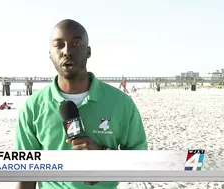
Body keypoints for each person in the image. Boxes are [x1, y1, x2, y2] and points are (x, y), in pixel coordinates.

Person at [14, 19, 148, 189]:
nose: (67, 51)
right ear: (50, 53)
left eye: (76, 43)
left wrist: (104, 157)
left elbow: (142, 160)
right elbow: (26, 173)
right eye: (59, 45)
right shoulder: (33, 107)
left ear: (88, 51)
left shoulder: (121, 103)